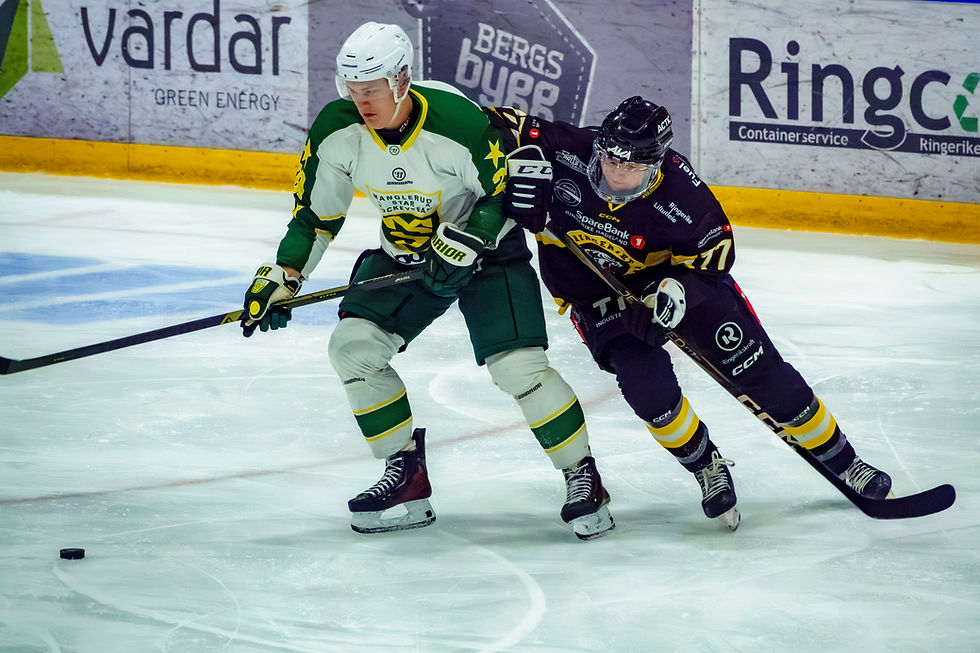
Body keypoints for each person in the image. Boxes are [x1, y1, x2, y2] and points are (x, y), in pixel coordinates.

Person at [240, 22, 614, 540]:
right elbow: (315, 217)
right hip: (406, 259)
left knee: (519, 368)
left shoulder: (458, 123)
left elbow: (507, 192)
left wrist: (469, 239)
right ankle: (406, 474)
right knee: (353, 348)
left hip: (488, 257)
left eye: (371, 89)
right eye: (352, 90)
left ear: (401, 80)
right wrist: (283, 275)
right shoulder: (337, 130)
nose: (361, 101)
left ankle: (583, 476)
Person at [486, 98, 894, 530]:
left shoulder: (683, 195)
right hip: (595, 294)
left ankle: (846, 462)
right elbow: (484, 118)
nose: (616, 172)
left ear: (656, 163)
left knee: (765, 377)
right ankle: (707, 468)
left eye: (631, 167)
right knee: (648, 392)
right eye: (609, 158)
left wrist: (677, 291)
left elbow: (717, 259)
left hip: (678, 285)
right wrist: (521, 168)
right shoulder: (564, 146)